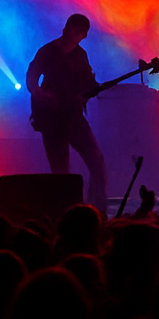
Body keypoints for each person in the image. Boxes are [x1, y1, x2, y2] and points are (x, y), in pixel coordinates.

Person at [26, 13, 108, 209]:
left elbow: (87, 84)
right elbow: (31, 76)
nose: (72, 33)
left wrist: (92, 90)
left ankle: (97, 208)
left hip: (73, 117)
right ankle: (65, 211)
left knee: (96, 161)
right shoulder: (47, 52)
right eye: (71, 28)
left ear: (82, 35)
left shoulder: (80, 56)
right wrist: (38, 94)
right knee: (60, 171)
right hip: (52, 120)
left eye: (76, 31)